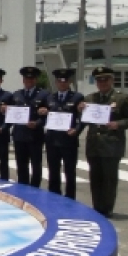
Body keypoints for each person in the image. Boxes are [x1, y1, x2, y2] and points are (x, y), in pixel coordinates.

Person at [79, 66, 128, 218]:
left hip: (111, 144)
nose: (102, 83)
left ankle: (107, 209)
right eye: (99, 80)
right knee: (95, 178)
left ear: (112, 80)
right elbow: (83, 120)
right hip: (94, 144)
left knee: (109, 179)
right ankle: (97, 207)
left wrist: (117, 124)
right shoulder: (90, 98)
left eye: (105, 80)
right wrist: (80, 110)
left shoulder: (121, 98)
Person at [40, 68, 84, 199]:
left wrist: (77, 130)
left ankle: (70, 198)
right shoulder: (50, 97)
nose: (62, 83)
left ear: (69, 81)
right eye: (59, 81)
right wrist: (42, 111)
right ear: (56, 82)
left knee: (69, 172)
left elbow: (82, 117)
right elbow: (43, 113)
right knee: (53, 171)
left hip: (68, 140)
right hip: (52, 140)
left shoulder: (77, 97)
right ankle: (54, 196)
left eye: (65, 81)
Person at [11, 66, 49, 187]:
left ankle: (35, 190)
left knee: (36, 166)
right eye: (27, 79)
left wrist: (37, 123)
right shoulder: (17, 94)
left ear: (35, 80)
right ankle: (23, 190)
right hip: (19, 135)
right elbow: (11, 113)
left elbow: (47, 115)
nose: (29, 81)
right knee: (21, 166)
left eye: (32, 79)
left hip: (35, 136)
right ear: (23, 80)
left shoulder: (44, 94)